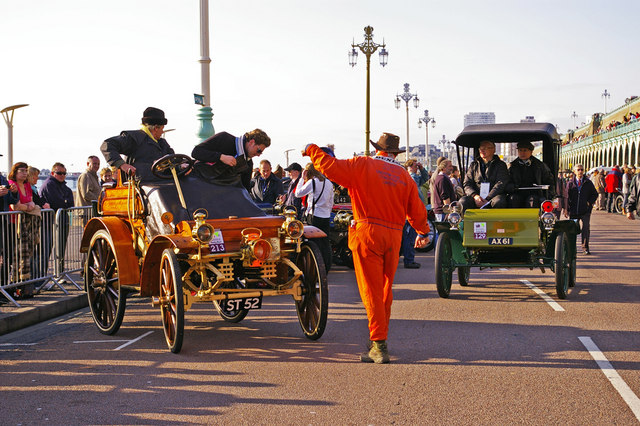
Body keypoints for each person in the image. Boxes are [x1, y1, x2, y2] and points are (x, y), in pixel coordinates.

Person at [302, 132, 430, 364]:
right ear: (394, 153)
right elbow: (417, 210)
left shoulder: (362, 164)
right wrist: (422, 232)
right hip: (393, 236)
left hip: (368, 231)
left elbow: (329, 166)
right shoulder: (403, 175)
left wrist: (312, 149)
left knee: (371, 290)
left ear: (377, 149)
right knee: (384, 290)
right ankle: (378, 341)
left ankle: (379, 344)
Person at [101, 107, 175, 183]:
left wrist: (182, 166)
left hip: (164, 184)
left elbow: (173, 159)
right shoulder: (135, 138)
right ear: (156, 128)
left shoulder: (162, 143)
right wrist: (122, 165)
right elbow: (107, 145)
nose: (162, 132)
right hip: (141, 188)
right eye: (162, 129)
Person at [191, 128, 271, 191]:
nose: (258, 155)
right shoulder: (224, 138)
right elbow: (196, 152)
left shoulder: (248, 164)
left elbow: (244, 190)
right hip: (197, 184)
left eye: (260, 153)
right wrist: (221, 157)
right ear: (251, 142)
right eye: (259, 151)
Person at [8, 162, 41, 297]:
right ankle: (14, 284)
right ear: (15, 172)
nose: (24, 173)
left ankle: (23, 286)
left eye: (26, 171)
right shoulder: (11, 184)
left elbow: (31, 201)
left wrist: (28, 205)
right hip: (13, 223)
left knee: (27, 254)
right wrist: (27, 206)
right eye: (21, 171)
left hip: (27, 225)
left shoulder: (27, 185)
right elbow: (14, 206)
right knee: (15, 255)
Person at [294, 162, 334, 272]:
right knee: (325, 244)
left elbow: (298, 193)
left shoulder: (313, 182)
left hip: (314, 216)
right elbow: (331, 202)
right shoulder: (329, 183)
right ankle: (326, 268)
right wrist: (327, 211)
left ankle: (314, 269)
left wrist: (301, 179)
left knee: (313, 245)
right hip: (325, 216)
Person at [39, 162, 74, 273]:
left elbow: (70, 203)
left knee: (61, 248)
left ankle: (59, 272)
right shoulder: (49, 184)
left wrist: (64, 202)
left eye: (64, 173)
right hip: (49, 222)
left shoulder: (64, 186)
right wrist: (64, 201)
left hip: (62, 220)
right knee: (46, 249)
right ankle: (42, 276)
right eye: (59, 173)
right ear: (53, 173)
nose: (62, 175)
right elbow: (58, 203)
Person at [459, 140, 509, 210]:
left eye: (485, 148)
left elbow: (501, 183)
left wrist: (488, 198)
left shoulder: (500, 165)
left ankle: (498, 221)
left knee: (499, 201)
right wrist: (475, 196)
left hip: (493, 197)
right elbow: (467, 183)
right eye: (481, 148)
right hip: (477, 196)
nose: (482, 150)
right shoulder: (474, 165)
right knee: (463, 201)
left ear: (493, 150)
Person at [507, 141, 556, 208]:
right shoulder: (512, 166)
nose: (522, 153)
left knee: (532, 200)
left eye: (525, 150)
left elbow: (549, 180)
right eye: (520, 150)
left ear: (531, 151)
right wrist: (511, 187)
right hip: (517, 193)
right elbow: (508, 180)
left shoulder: (540, 165)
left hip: (534, 193)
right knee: (513, 199)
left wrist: (550, 195)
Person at [401, 159, 429, 269]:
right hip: (412, 213)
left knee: (409, 237)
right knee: (410, 237)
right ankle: (409, 260)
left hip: (412, 212)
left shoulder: (413, 178)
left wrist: (422, 169)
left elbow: (425, 178)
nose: (416, 167)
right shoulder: (411, 178)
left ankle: (409, 259)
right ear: (409, 167)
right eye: (414, 166)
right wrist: (416, 171)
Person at [566, 164, 598, 255]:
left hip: (585, 211)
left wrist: (589, 202)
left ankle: (585, 248)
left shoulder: (588, 182)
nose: (580, 171)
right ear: (574, 172)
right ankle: (572, 248)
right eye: (578, 170)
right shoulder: (570, 183)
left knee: (586, 229)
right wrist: (567, 208)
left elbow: (594, 194)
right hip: (574, 210)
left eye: (582, 170)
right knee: (572, 230)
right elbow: (567, 197)